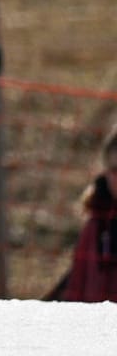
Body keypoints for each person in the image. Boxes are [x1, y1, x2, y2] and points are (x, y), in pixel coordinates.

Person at [46, 125, 117, 303]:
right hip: (95, 323)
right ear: (106, 172)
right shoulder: (96, 224)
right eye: (116, 170)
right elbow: (77, 284)